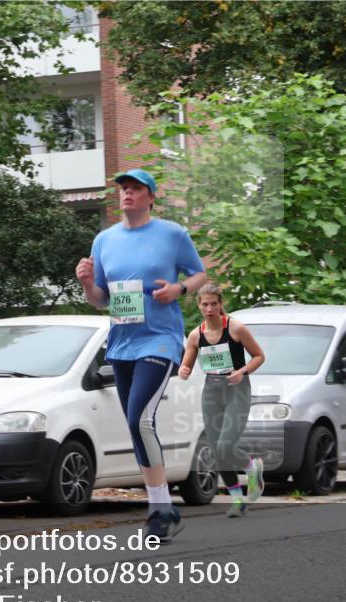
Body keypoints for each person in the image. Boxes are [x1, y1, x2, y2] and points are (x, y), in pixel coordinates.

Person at [75, 168, 207, 541]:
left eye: (135, 188)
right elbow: (101, 300)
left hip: (160, 340)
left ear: (150, 196)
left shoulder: (172, 234)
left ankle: (160, 510)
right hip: (122, 342)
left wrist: (179, 289)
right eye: (123, 189)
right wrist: (87, 283)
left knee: (140, 420)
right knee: (136, 427)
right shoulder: (104, 240)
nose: (127, 194)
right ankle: (162, 509)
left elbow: (199, 274)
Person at [178, 284, 266, 517]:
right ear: (199, 306)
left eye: (213, 304)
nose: (209, 309)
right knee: (217, 452)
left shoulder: (235, 328)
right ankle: (237, 499)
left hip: (237, 389)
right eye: (205, 304)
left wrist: (242, 372)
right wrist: (183, 370)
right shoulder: (196, 335)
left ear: (220, 304)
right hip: (212, 391)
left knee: (225, 445)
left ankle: (251, 467)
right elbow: (186, 364)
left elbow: (259, 356)